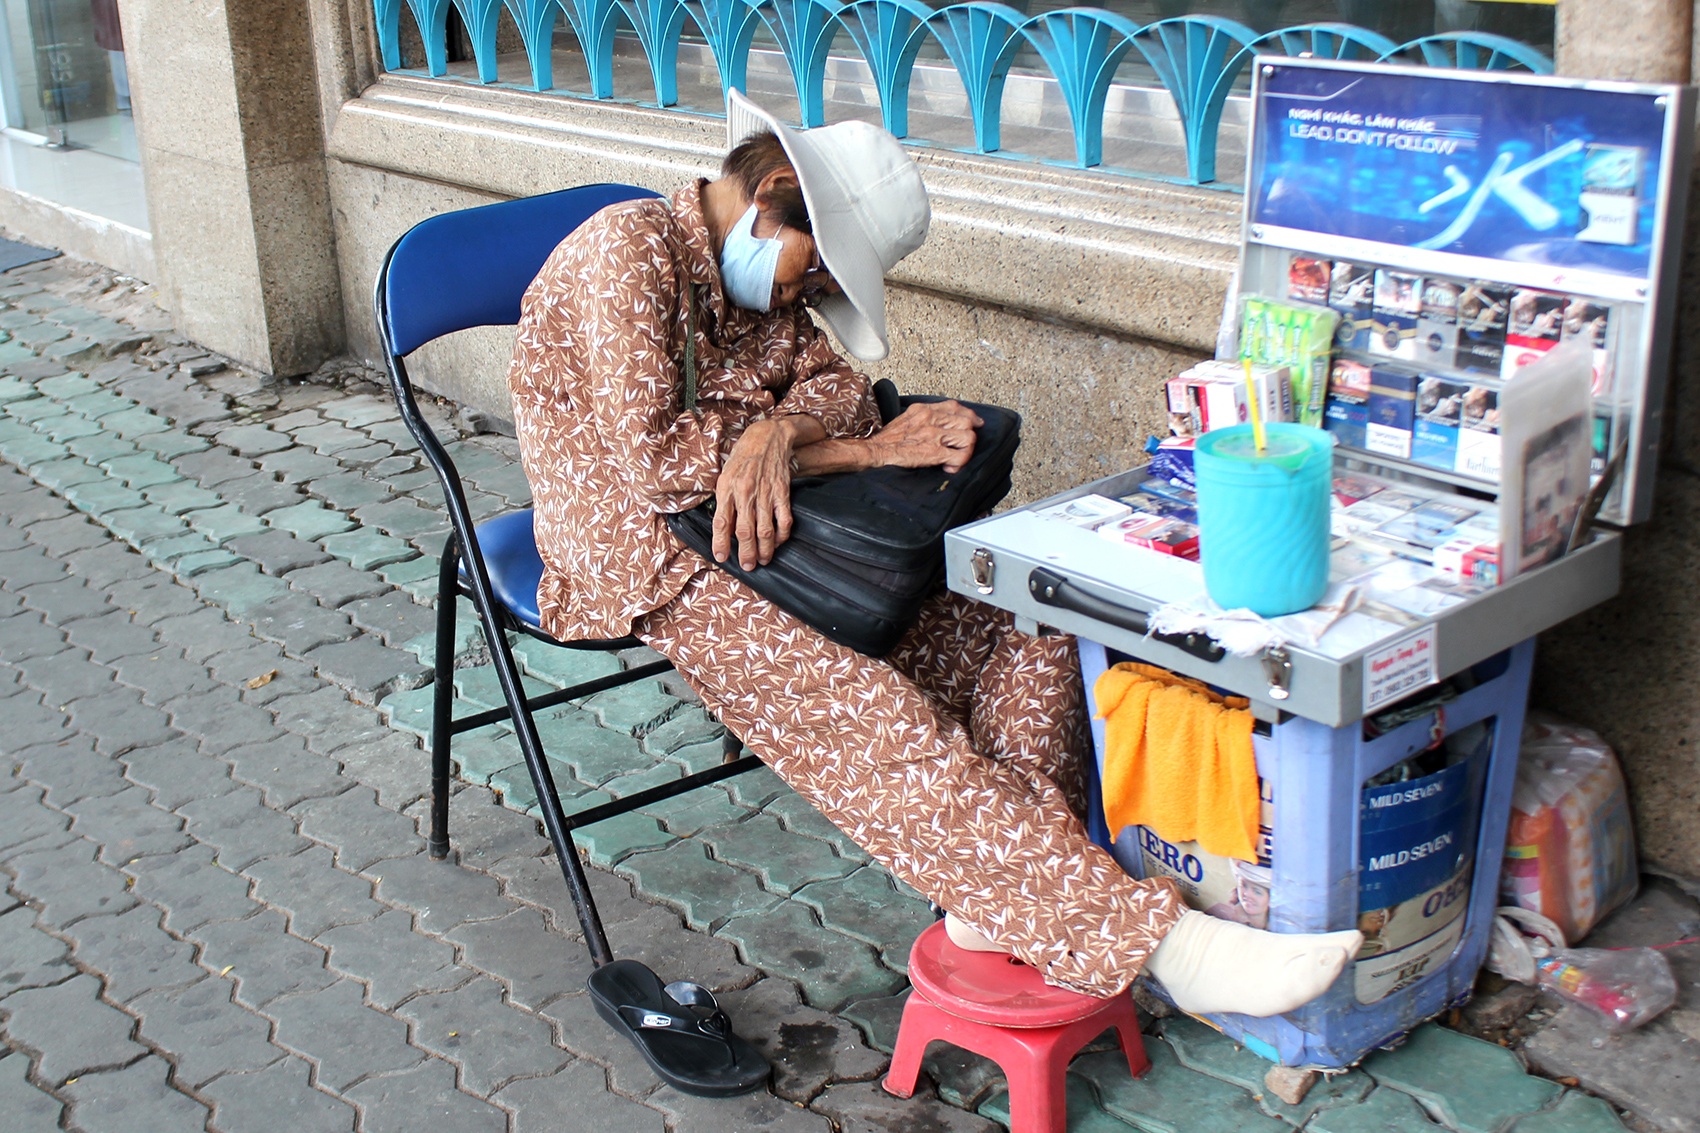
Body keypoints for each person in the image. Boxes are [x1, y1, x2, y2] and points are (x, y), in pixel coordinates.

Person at [508, 90, 1361, 1018]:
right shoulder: (629, 247)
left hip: (790, 541)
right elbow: (662, 464)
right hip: (645, 558)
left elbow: (840, 392)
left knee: (1033, 623)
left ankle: (1001, 898)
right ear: (773, 195)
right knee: (870, 712)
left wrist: (783, 431)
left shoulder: (761, 288)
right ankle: (1156, 941)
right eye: (815, 270)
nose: (809, 294)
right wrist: (839, 451)